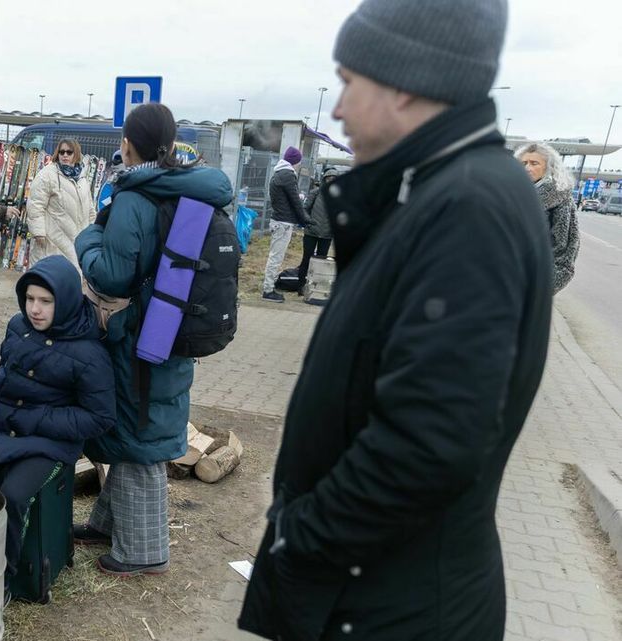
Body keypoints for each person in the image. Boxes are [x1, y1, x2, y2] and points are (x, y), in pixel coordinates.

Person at [237, 0, 553, 639]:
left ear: (407, 83)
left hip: (393, 607)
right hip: (379, 593)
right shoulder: (439, 192)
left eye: (350, 82)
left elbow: (429, 444)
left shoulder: (468, 209)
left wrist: (299, 539)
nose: (338, 108)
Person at [73, 103, 233, 576]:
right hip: (172, 330)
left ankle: (144, 552)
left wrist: (86, 240)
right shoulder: (190, 189)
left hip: (138, 337)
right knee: (136, 426)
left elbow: (114, 276)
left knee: (139, 436)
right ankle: (108, 523)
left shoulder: (134, 197)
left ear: (127, 143)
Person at [0, 254, 115, 592]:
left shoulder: (90, 353)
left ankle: (2, 579)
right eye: (30, 299)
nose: (35, 309)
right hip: (3, 431)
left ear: (67, 300)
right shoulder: (18, 328)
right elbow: (1, 381)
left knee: (11, 496)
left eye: (46, 301)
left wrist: (39, 419)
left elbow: (100, 417)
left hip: (49, 444)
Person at [516, 142, 580, 292]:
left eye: (534, 163)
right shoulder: (514, 194)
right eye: (524, 163)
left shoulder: (559, 198)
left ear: (548, 167)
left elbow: (565, 249)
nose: (527, 168)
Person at [25, 138, 97, 270]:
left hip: (77, 241)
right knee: (48, 281)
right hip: (52, 242)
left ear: (76, 154)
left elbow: (90, 209)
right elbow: (35, 204)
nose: (65, 155)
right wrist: (39, 232)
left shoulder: (82, 178)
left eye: (69, 152)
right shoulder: (47, 175)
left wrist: (93, 232)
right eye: (61, 152)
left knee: (71, 281)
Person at [260, 146, 310, 302]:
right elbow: (295, 201)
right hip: (283, 222)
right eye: (298, 162)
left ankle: (270, 287)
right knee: (276, 257)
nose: (299, 165)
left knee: (275, 256)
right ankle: (268, 290)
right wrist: (306, 220)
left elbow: (289, 197)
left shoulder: (278, 173)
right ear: (294, 161)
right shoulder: (288, 175)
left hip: (278, 220)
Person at [296, 167, 338, 286]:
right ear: (325, 179)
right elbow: (305, 209)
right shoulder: (316, 192)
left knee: (321, 262)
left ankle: (315, 285)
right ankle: (300, 284)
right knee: (306, 258)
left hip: (326, 234)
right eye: (329, 178)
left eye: (334, 179)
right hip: (311, 232)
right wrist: (309, 221)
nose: (331, 181)